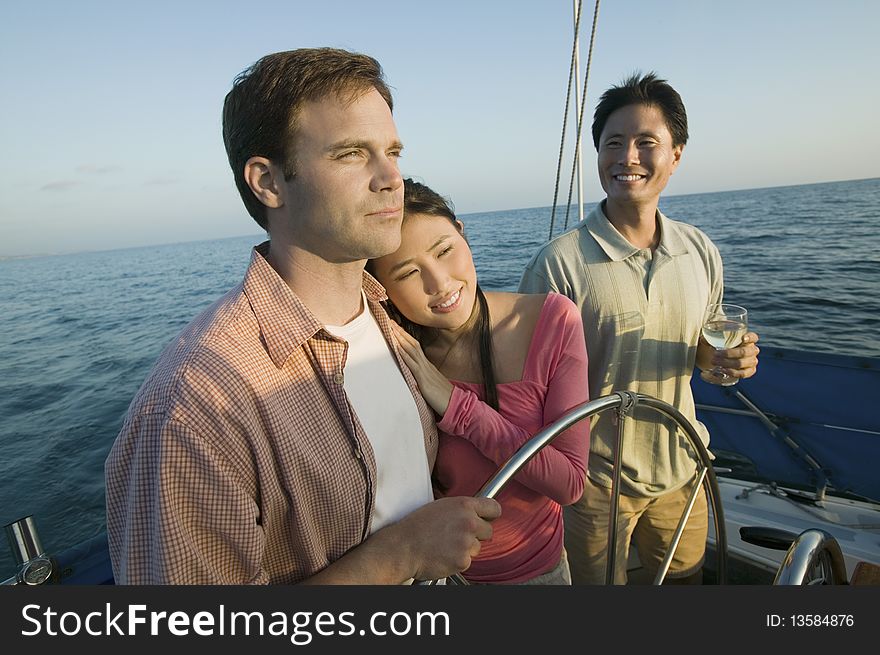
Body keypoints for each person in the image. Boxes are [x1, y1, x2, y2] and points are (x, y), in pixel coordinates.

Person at [104, 48, 501, 585]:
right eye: (351, 154)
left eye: (393, 152)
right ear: (268, 183)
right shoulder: (195, 408)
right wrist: (398, 556)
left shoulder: (386, 317)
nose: (391, 179)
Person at [518, 72, 760, 585]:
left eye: (647, 143)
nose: (628, 157)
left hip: (684, 468)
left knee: (685, 584)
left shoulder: (700, 251)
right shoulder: (558, 265)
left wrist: (724, 365)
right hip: (595, 482)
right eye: (614, 143)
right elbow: (527, 386)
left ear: (676, 155)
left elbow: (703, 354)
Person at [367, 179, 590, 584]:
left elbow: (570, 482)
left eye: (444, 250)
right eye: (408, 273)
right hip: (439, 578)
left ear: (462, 232)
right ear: (382, 291)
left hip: (539, 572)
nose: (439, 283)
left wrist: (456, 405)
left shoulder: (554, 320)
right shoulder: (391, 355)